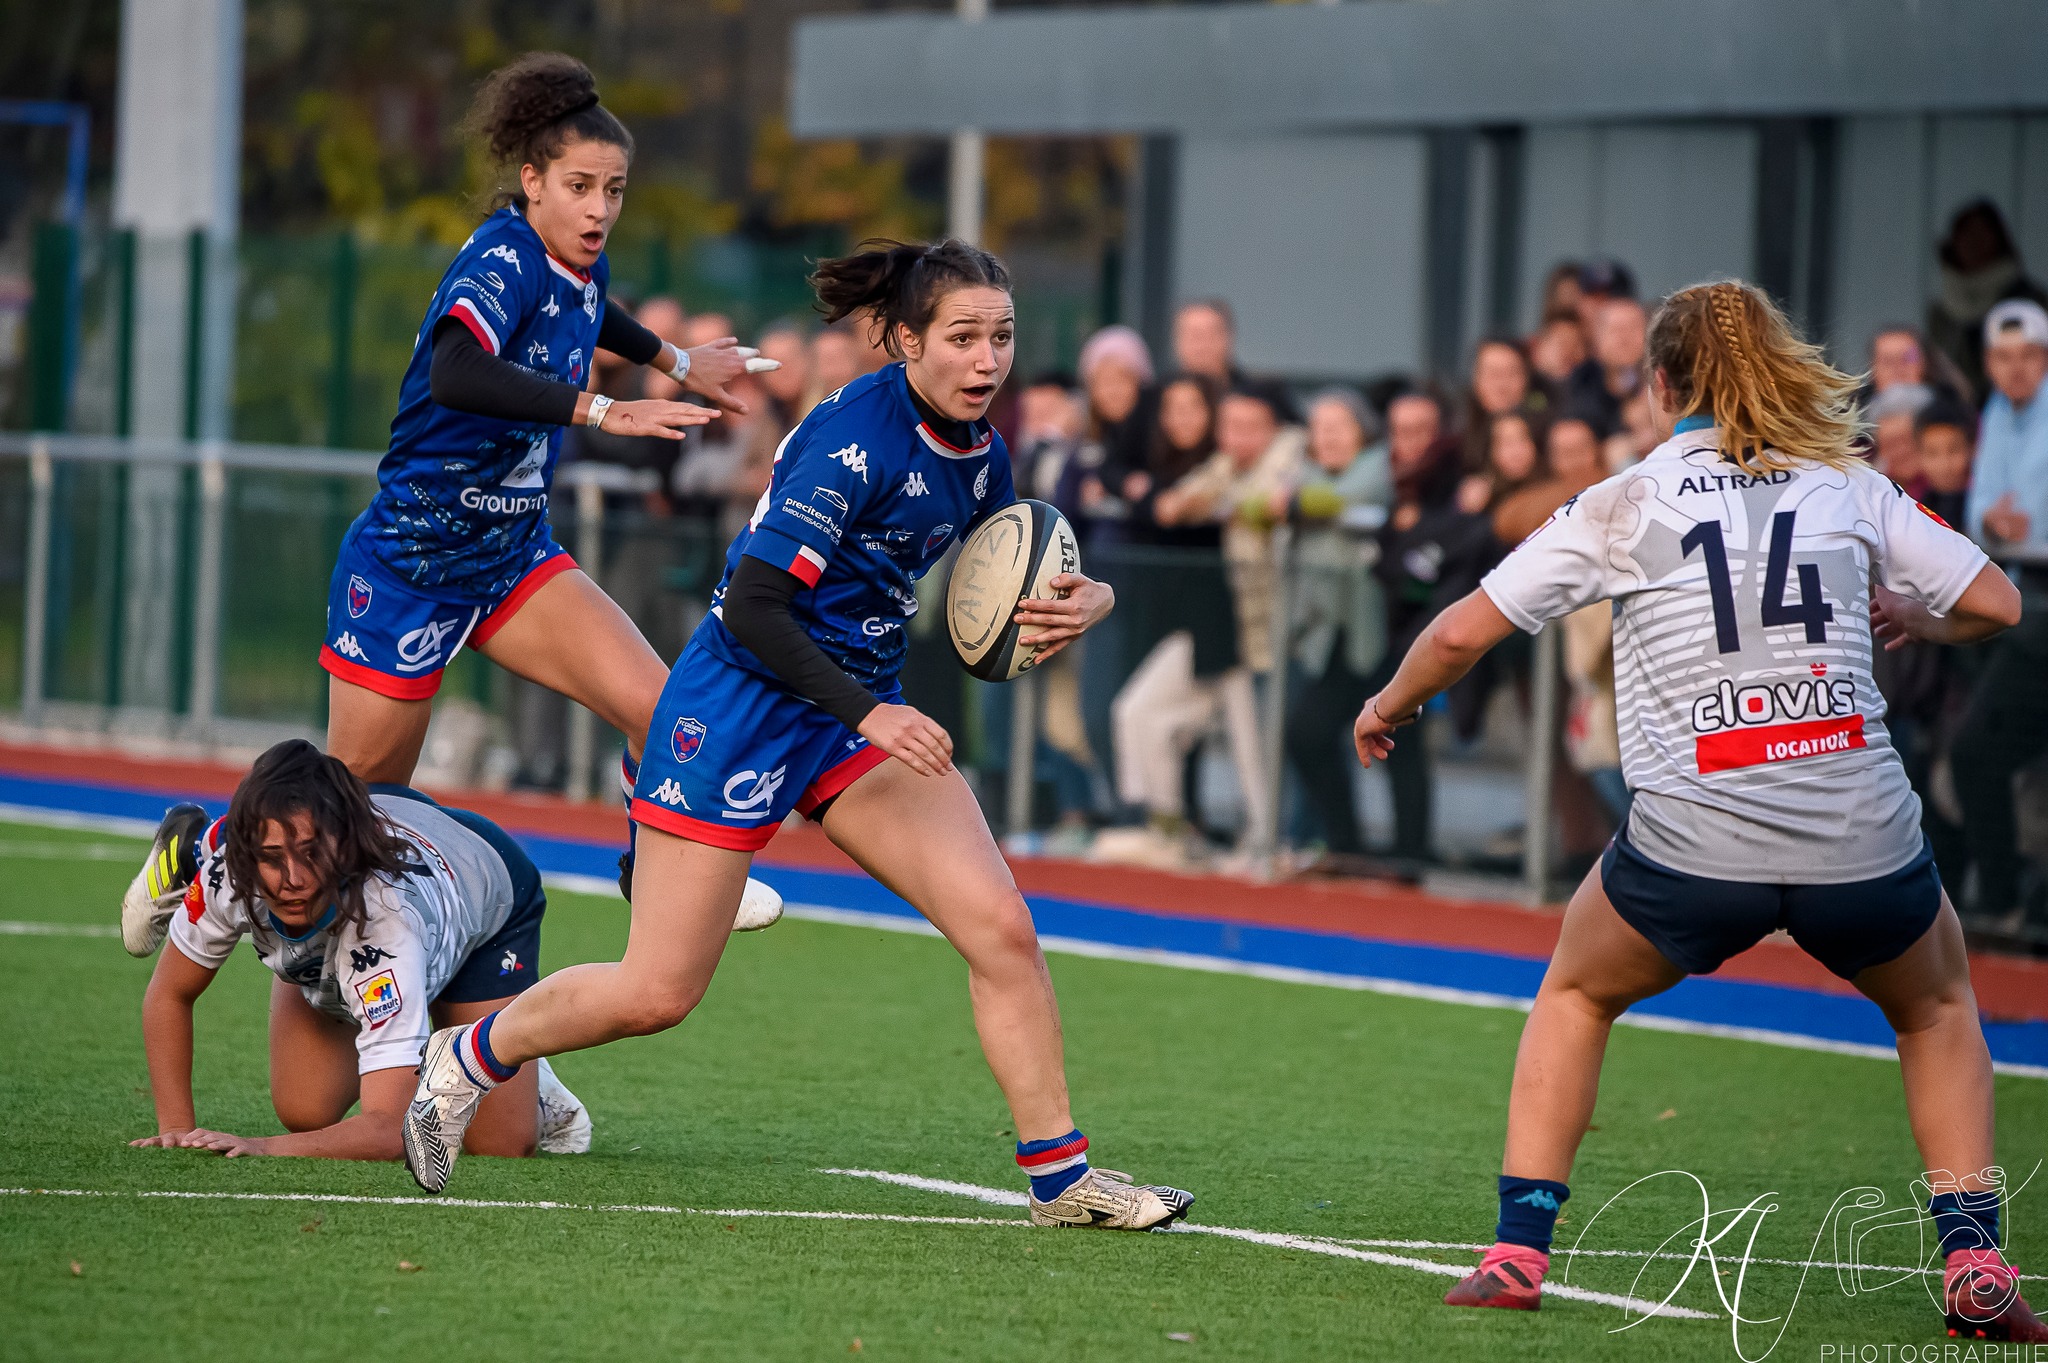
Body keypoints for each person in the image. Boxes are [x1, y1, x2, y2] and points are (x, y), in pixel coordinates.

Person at [398, 238, 1194, 1231]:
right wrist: (873, 710)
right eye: (961, 338)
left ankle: (1061, 1183)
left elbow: (1014, 558)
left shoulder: (982, 450)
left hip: (850, 712)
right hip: (737, 704)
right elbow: (757, 609)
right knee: (655, 992)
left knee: (1001, 929)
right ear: (905, 341)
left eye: (1001, 337)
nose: (986, 359)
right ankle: (468, 1056)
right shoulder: (853, 440)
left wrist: (1088, 595)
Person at [1352, 279, 2040, 1339]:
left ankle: (1515, 1248)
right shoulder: (1847, 485)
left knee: (1575, 994)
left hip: (1693, 842)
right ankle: (1974, 1261)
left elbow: (1455, 635)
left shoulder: (1623, 498)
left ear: (1658, 381)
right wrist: (1907, 613)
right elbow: (1994, 601)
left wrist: (1386, 703)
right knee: (1937, 1010)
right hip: (1855, 832)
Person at [317, 55, 755, 889]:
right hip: (413, 563)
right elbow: (456, 368)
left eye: (615, 189)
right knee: (354, 814)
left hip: (512, 558)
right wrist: (600, 409)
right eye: (580, 186)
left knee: (662, 713)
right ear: (532, 182)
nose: (600, 209)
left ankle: (656, 881)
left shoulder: (580, 265)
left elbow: (594, 313)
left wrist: (674, 358)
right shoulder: (505, 257)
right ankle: (198, 856)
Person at [121, 741, 612, 1161]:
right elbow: (169, 996)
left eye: (311, 853)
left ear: (343, 847)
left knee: (503, 1144)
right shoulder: (229, 875)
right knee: (304, 1111)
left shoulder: (386, 926)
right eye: (272, 858)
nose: (292, 879)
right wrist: (177, 1131)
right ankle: (196, 844)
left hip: (483, 900)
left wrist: (262, 1146)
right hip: (377, 847)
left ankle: (521, 1061)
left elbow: (390, 1130)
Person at [1950, 298, 2048, 931]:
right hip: (2016, 605)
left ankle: (2008, 903)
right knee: (1976, 756)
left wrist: (2000, 529)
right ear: (1988, 363)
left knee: (1972, 753)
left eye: (2031, 356)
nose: (2017, 370)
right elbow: (1980, 520)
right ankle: (2012, 900)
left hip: (2035, 608)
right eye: (2004, 358)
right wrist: (1992, 525)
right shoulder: (1996, 415)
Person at [1369, 391, 1488, 864]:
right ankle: (1402, 849)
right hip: (1398, 633)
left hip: (1440, 633)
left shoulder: (1453, 485)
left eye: (1421, 429)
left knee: (1405, 735)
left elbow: (1415, 565)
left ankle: (1410, 852)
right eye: (1400, 430)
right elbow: (1391, 564)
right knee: (1394, 739)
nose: (1410, 441)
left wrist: (1409, 539)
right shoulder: (1392, 482)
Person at [1280, 387, 1392, 860]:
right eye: (1318, 428)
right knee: (1308, 732)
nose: (1325, 437)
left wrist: (1291, 504)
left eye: (1337, 427)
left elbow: (1337, 500)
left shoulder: (1379, 472)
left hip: (1386, 632)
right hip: (1326, 634)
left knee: (1397, 750)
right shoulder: (1304, 479)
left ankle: (1406, 851)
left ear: (1362, 432)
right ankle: (1346, 846)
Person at [1927, 200, 2048, 402]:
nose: (1974, 244)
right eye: (1967, 236)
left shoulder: (2031, 302)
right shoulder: (1940, 313)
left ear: (1999, 240)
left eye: (1982, 235)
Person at [1564, 296, 1647, 439]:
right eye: (1616, 330)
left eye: (1633, 328)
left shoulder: (1665, 387)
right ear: (1597, 338)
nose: (1624, 338)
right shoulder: (1577, 385)